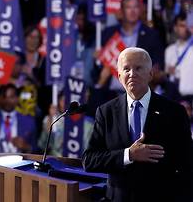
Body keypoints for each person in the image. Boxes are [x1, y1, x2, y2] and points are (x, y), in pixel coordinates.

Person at [83, 47, 193, 202]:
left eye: (138, 68)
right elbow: (90, 160)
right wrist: (129, 155)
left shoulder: (174, 112)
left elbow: (187, 166)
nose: (132, 74)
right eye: (126, 69)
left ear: (150, 74)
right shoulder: (105, 112)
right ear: (119, 76)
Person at [0, 83, 37, 156]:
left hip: (17, 164)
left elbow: (36, 149)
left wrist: (27, 147)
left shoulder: (28, 121)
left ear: (17, 99)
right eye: (4, 96)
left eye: (11, 97)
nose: (7, 100)